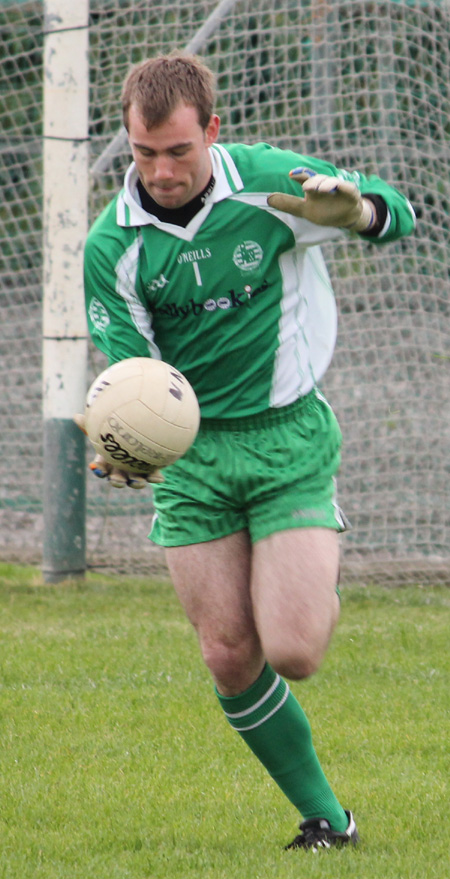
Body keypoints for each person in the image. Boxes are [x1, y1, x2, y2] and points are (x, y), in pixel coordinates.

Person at [79, 52, 416, 851]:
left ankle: (309, 555)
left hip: (285, 438)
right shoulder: (112, 246)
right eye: (143, 152)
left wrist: (356, 214)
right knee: (229, 653)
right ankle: (328, 822)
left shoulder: (269, 183)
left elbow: (398, 211)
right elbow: (132, 377)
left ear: (213, 131)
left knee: (294, 648)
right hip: (193, 458)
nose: (160, 171)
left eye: (178, 151)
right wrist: (130, 449)